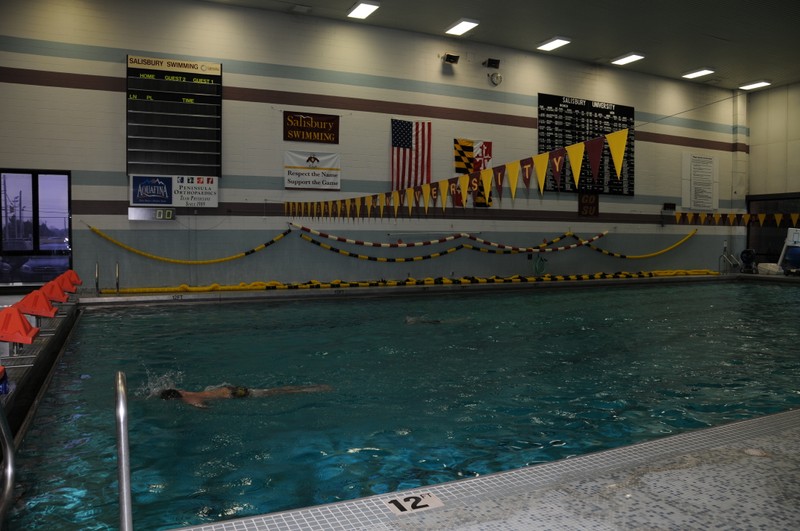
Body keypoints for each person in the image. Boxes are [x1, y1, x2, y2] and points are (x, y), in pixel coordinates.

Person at [159, 383, 332, 408]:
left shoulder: (189, 399)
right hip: (228, 389)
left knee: (275, 393)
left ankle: (312, 389)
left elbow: (203, 407)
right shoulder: (186, 393)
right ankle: (310, 387)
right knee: (272, 391)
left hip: (234, 395)